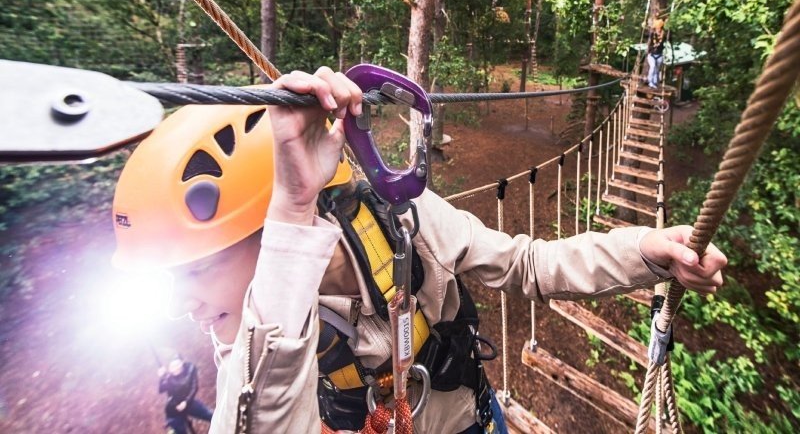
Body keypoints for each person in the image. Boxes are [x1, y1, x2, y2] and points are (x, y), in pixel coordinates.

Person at [112, 67, 727, 433]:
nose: (178, 306)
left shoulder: (402, 222)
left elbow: (525, 264)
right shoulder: (255, 338)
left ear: (267, 228)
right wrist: (294, 214)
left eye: (193, 269)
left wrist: (642, 249)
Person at [158, 355, 214, 434]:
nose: (175, 368)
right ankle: (173, 430)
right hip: (174, 411)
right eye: (172, 367)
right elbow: (161, 389)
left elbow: (194, 387)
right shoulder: (168, 377)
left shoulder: (190, 369)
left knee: (211, 415)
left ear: (182, 363)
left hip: (189, 402)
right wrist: (161, 377)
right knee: (179, 430)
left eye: (177, 365)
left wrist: (186, 402)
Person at [647, 18, 666, 88]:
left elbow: (669, 38)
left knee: (657, 70)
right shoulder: (652, 34)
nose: (658, 29)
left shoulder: (664, 35)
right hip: (651, 55)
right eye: (657, 28)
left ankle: (655, 82)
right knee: (653, 66)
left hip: (659, 55)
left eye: (659, 28)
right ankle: (650, 81)